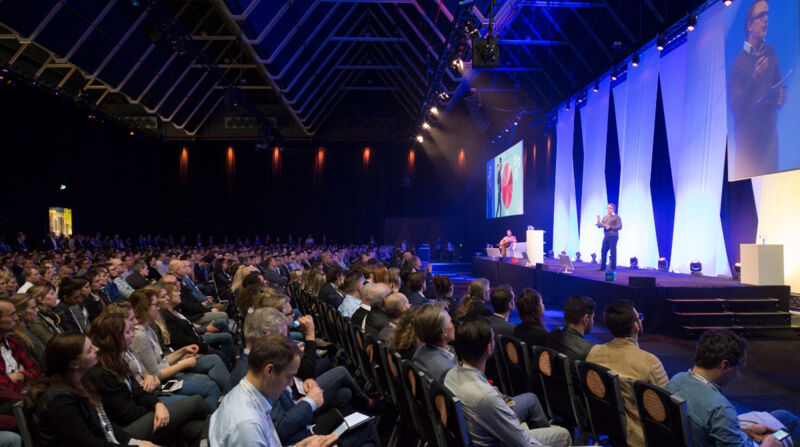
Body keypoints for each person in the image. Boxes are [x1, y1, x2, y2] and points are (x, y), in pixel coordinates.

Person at [85, 313, 209, 445]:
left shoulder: (117, 360)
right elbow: (126, 415)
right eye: (127, 332)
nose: (133, 334)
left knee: (197, 428)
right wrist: (156, 409)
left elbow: (138, 392)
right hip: (129, 430)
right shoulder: (99, 373)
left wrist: (158, 404)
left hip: (141, 415)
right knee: (196, 401)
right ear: (114, 339)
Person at [444, 318, 571, 447]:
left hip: (482, 431)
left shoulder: (451, 374)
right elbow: (525, 444)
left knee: (530, 401)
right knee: (563, 434)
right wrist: (513, 422)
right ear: (489, 348)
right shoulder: (486, 396)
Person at [666, 329, 800, 447]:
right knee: (790, 425)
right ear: (724, 365)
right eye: (739, 368)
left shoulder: (677, 380)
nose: (738, 374)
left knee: (783, 416)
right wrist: (767, 444)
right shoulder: (719, 408)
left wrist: (744, 431)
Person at [209, 334, 339, 447]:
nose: (290, 383)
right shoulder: (247, 426)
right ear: (269, 371)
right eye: (288, 377)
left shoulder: (243, 394)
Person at [27, 333, 157, 447]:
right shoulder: (60, 400)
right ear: (74, 364)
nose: (97, 349)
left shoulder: (81, 381)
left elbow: (103, 424)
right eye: (89, 350)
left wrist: (135, 442)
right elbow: (86, 443)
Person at [586, 301, 668, 447]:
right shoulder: (649, 362)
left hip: (606, 428)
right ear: (636, 326)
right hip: (640, 438)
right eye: (639, 317)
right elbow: (668, 408)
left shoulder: (594, 352)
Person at [729, 0, 786, 178]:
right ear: (749, 25)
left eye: (767, 15)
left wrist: (781, 96)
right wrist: (754, 79)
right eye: (761, 16)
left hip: (769, 137)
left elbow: (779, 83)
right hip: (748, 146)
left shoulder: (771, 52)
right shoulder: (738, 64)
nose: (766, 20)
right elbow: (736, 107)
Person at [0, 299, 40, 393]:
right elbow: (5, 389)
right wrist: (26, 377)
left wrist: (21, 376)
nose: (17, 318)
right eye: (11, 315)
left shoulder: (11, 340)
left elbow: (36, 369)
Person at [412, 301, 456, 381]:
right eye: (450, 322)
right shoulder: (448, 370)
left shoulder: (419, 350)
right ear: (444, 332)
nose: (453, 325)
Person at [546, 295, 595, 361]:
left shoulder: (553, 334)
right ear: (586, 319)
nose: (593, 321)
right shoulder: (588, 350)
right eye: (592, 318)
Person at [596, 203, 622, 271]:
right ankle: (603, 267)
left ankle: (613, 267)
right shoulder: (605, 217)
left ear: (613, 209)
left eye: (610, 208)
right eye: (607, 208)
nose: (608, 209)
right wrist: (598, 221)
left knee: (612, 252)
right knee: (603, 251)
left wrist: (611, 227)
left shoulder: (616, 217)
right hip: (606, 235)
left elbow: (620, 226)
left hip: (613, 236)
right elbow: (600, 226)